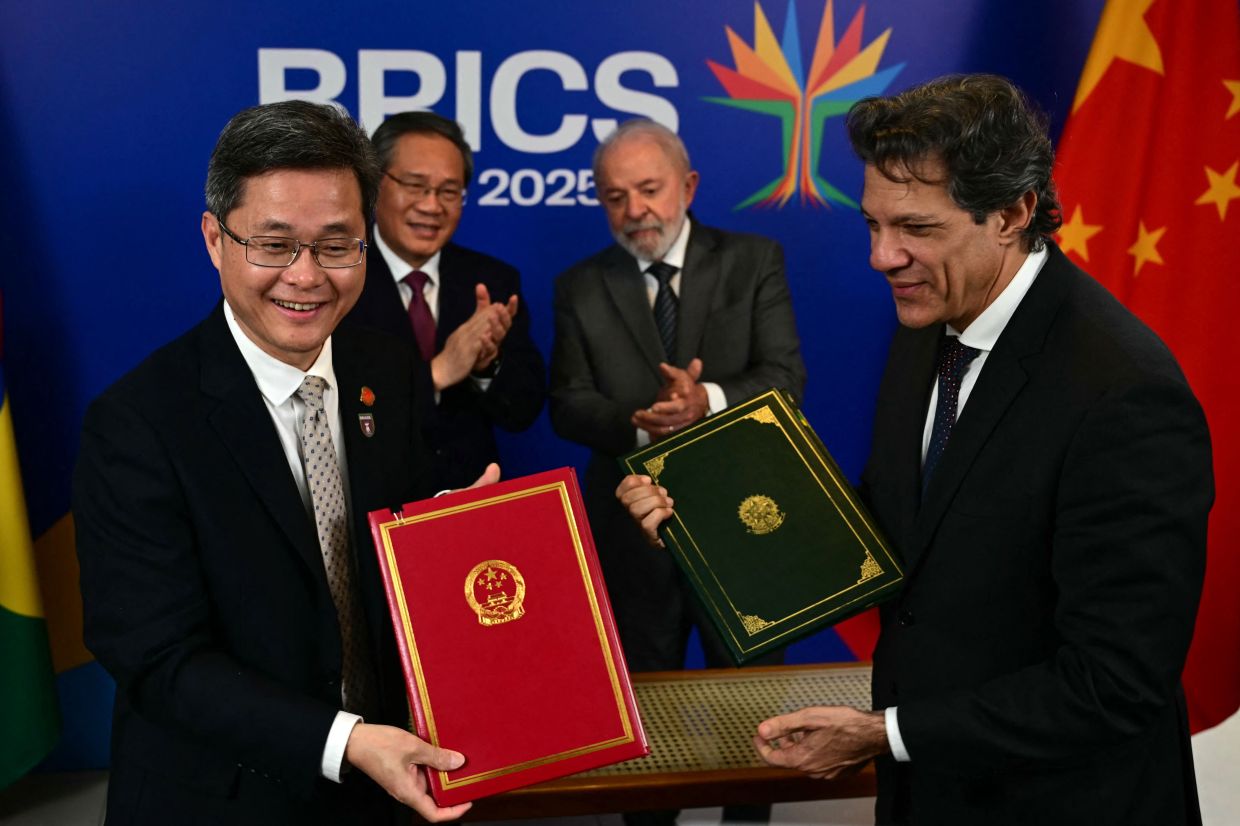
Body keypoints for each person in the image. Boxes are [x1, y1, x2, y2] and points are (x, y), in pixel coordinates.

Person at [617, 75, 1213, 825]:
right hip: (929, 796)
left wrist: (886, 733)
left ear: (1013, 212)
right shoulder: (930, 323)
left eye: (915, 229)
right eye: (871, 225)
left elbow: (1113, 683)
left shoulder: (1125, 392)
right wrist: (697, 522)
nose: (881, 256)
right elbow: (888, 539)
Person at [73, 101, 486, 825]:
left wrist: (469, 533)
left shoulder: (391, 370)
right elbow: (157, 658)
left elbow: (402, 558)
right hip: (224, 797)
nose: (306, 277)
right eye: (273, 244)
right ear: (214, 239)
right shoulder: (136, 424)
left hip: (398, 784)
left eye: (337, 245)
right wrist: (346, 741)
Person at [550, 119, 806, 823]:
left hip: (744, 527)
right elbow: (568, 405)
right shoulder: (579, 286)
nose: (634, 211)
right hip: (632, 535)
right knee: (645, 721)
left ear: (688, 187)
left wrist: (709, 402)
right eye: (614, 196)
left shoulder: (755, 259)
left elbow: (785, 378)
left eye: (650, 190)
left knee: (752, 719)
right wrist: (640, 423)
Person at [342, 111, 545, 490]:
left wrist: (487, 365)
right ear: (373, 185)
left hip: (473, 501)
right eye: (415, 185)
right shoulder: (335, 275)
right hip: (371, 505)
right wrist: (437, 373)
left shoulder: (492, 281)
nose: (432, 206)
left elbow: (522, 412)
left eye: (449, 192)